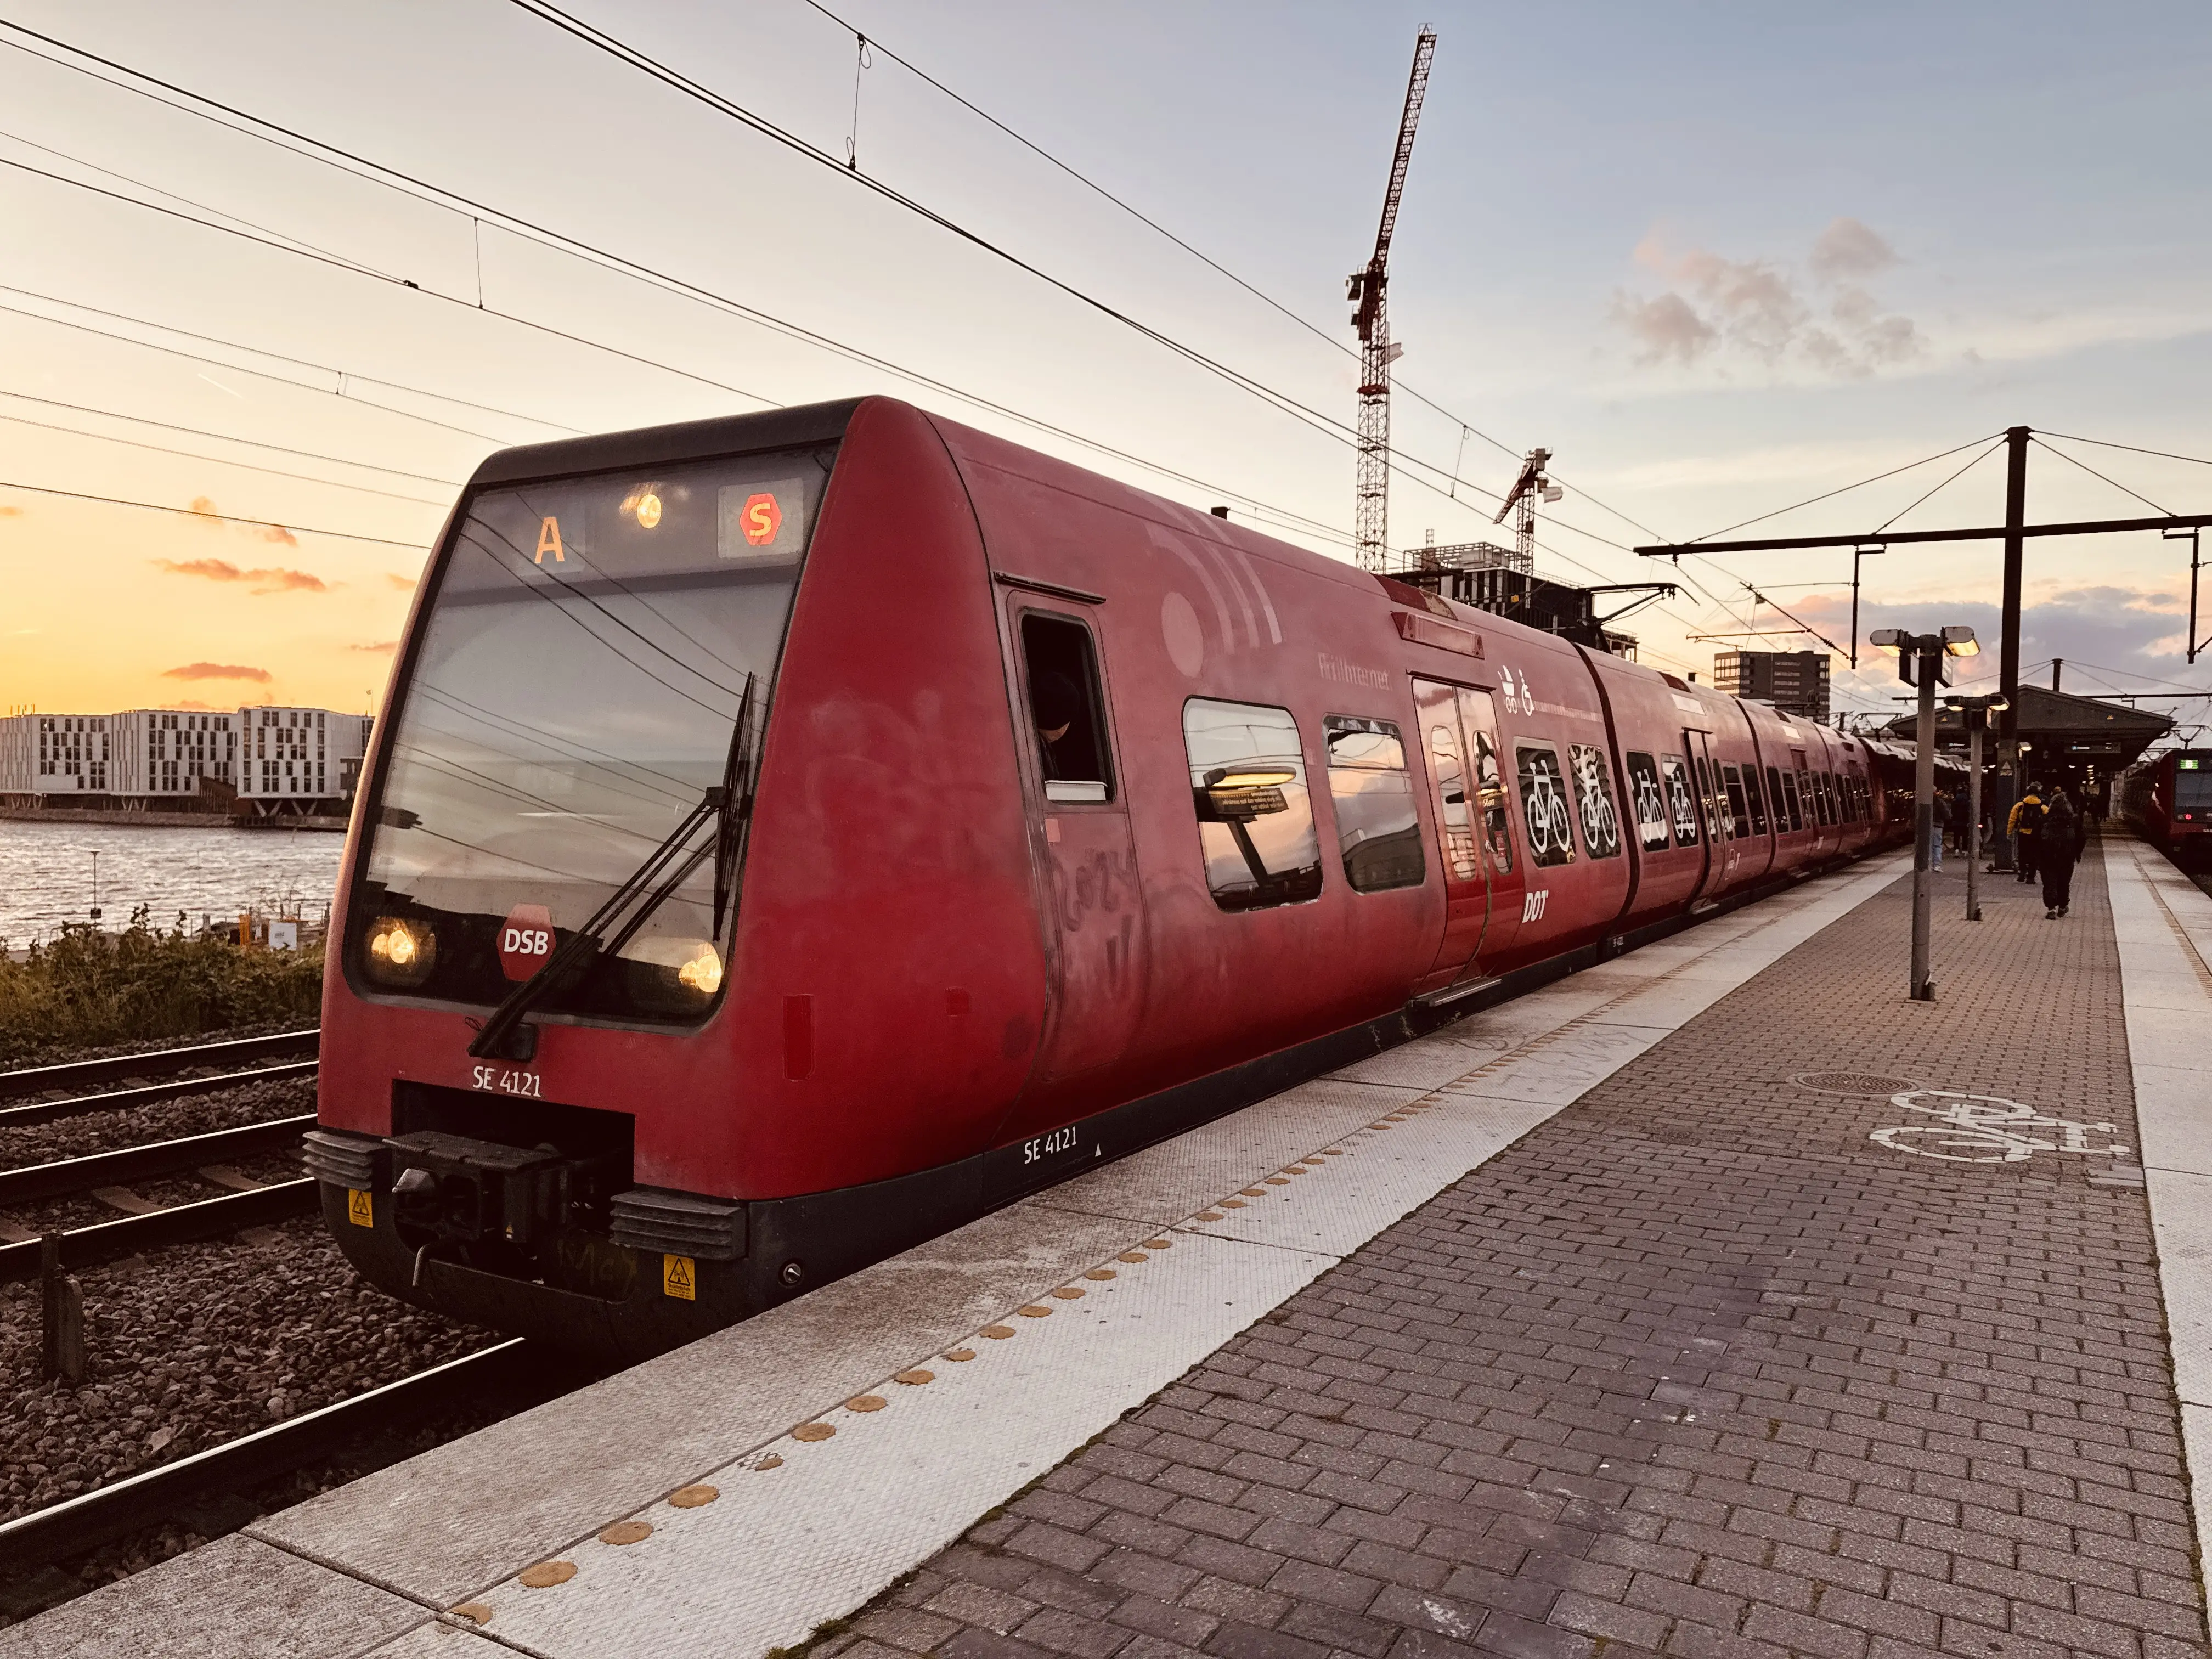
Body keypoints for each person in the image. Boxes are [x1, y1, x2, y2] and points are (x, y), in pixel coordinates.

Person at [2040, 787, 2082, 918]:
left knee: (2049, 881)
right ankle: (2063, 906)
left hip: (2048, 856)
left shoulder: (2045, 819)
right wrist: (2078, 853)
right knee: (2064, 881)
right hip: (2067, 856)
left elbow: (2037, 838)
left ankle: (2051, 909)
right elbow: (2081, 839)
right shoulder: (2074, 821)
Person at [2010, 783, 2044, 884]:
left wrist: (2009, 833)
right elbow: (2048, 819)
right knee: (2034, 855)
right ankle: (2031, 877)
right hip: (2036, 834)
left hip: (2023, 833)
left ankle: (2022, 874)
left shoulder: (2020, 805)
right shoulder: (2042, 806)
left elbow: (2012, 820)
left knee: (2022, 854)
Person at [1928, 787, 1950, 869]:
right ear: (1935, 792)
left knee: (1927, 845)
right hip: (1938, 826)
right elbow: (1947, 815)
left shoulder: (1921, 801)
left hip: (1926, 826)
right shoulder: (1940, 802)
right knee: (1937, 846)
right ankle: (1937, 865)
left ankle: (1927, 863)